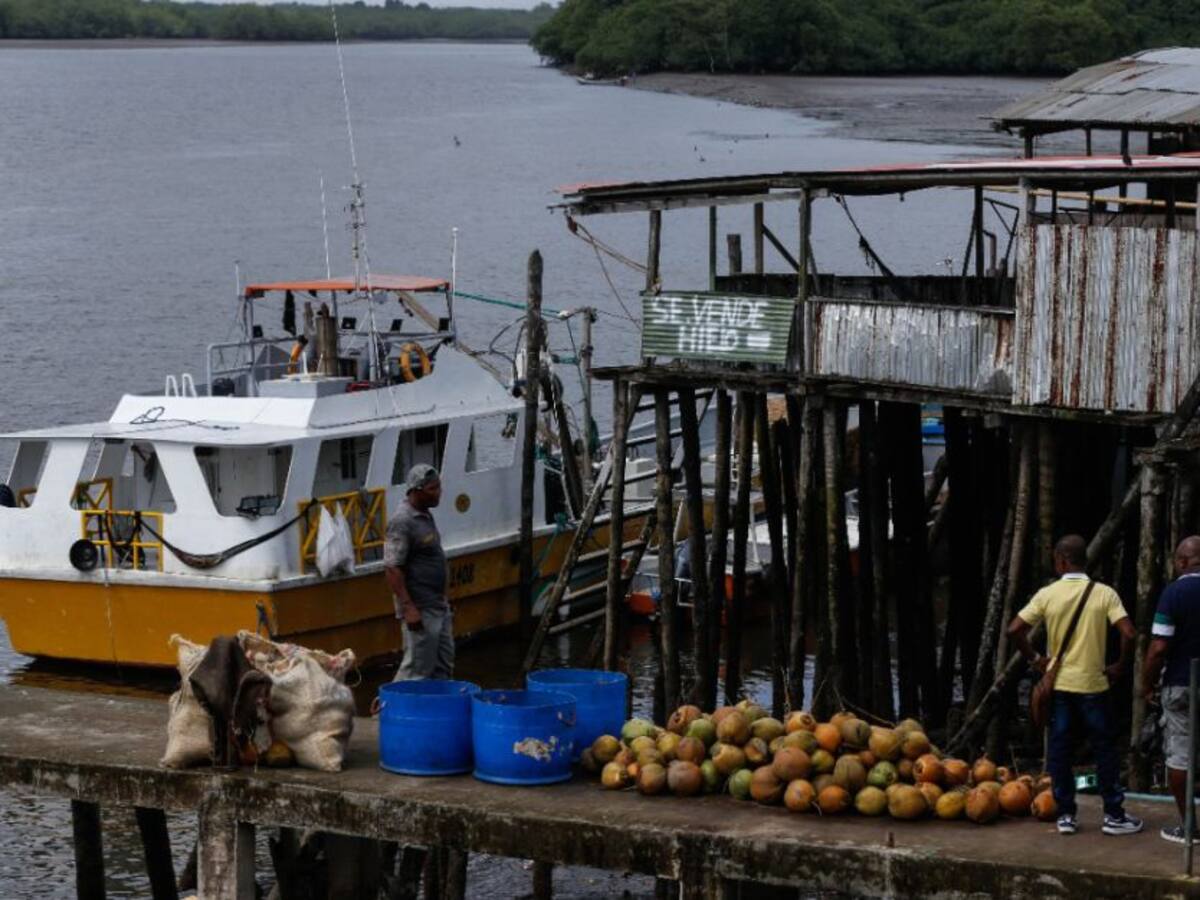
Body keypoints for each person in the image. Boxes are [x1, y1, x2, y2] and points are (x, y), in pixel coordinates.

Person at [1007, 534, 1142, 836]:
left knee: (1060, 748)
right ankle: (1114, 815)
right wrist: (1119, 665)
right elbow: (1130, 634)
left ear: (1061, 560)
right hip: (1095, 685)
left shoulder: (1048, 594)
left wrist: (1036, 659)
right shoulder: (1105, 594)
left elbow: (1015, 629)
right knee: (1104, 748)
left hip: (1062, 686)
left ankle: (1066, 814)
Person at [1143, 535, 1200, 843]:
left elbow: (1159, 645)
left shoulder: (1174, 594)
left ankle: (1189, 827)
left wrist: (1147, 682)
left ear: (1181, 562)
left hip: (1181, 683)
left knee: (1180, 754)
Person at [384, 464, 453, 681]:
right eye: (433, 489)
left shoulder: (425, 515)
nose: (439, 492)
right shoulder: (402, 521)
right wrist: (408, 608)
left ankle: (439, 712)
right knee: (416, 671)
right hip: (420, 608)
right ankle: (392, 709)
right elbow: (392, 567)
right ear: (416, 491)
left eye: (439, 487)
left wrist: (444, 597)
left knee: (443, 665)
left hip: (438, 606)